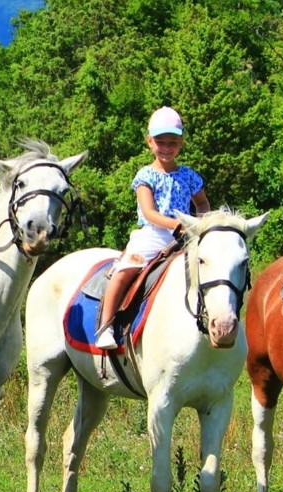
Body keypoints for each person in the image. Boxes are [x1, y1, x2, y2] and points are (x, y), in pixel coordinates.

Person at [95, 106, 210, 350]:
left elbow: (201, 203)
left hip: (187, 234)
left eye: (172, 142)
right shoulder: (146, 174)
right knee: (127, 269)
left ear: (181, 142)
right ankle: (106, 326)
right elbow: (149, 212)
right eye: (160, 142)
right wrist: (178, 223)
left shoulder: (189, 175)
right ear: (150, 142)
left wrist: (202, 223)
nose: (167, 148)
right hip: (153, 234)